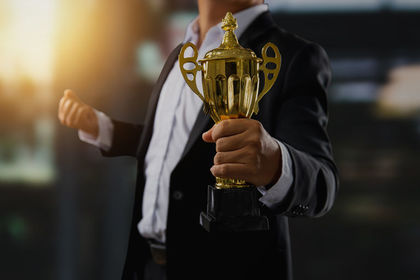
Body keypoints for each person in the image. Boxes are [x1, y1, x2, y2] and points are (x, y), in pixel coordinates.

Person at [57, 0, 338, 279]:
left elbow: (322, 183)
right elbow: (171, 146)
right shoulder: (180, 55)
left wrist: (276, 163)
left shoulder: (294, 55)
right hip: (146, 264)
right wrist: (104, 129)